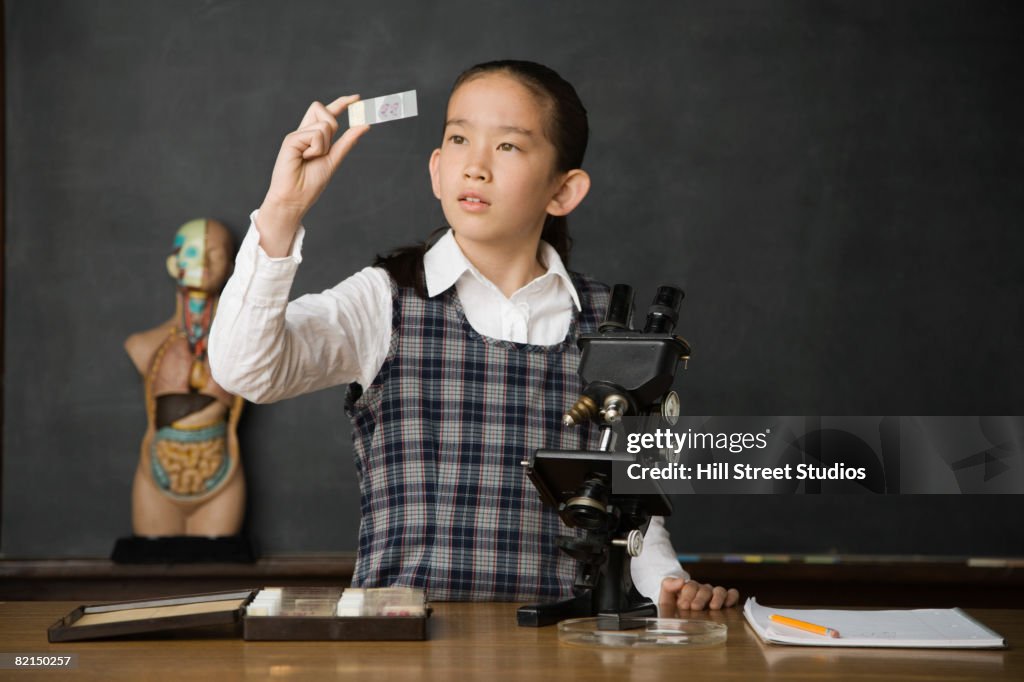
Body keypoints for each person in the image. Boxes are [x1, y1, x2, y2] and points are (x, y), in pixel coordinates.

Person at [209, 60, 738, 614]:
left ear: (564, 190)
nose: (476, 167)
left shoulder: (613, 326)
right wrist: (283, 210)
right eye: (459, 139)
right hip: (403, 649)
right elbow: (246, 370)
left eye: (508, 147)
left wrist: (670, 585)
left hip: (566, 652)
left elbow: (634, 519)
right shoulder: (384, 300)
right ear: (436, 169)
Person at [126, 218, 245, 537]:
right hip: (158, 473)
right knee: (156, 580)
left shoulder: (242, 342)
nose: (203, 263)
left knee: (220, 575)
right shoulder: (145, 345)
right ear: (172, 263)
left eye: (215, 254)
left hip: (220, 472)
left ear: (231, 265)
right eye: (192, 252)